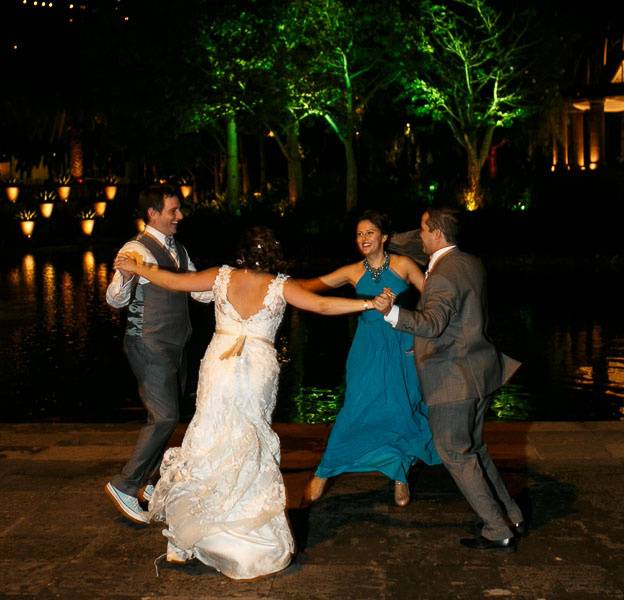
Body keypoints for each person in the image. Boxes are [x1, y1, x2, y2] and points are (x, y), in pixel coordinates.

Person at [114, 227, 379, 580]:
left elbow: (175, 282)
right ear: (274, 256)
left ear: (242, 254)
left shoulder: (221, 277)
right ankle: (243, 532)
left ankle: (182, 541)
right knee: (247, 439)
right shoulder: (280, 285)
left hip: (219, 365)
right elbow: (321, 304)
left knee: (207, 437)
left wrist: (139, 267)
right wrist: (368, 303)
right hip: (257, 369)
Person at [374, 207, 524, 551]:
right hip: (480, 371)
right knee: (475, 450)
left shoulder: (441, 275)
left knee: (455, 453)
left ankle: (496, 528)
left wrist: (392, 313)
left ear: (437, 235)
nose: (419, 235)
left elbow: (432, 323)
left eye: (424, 230)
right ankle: (511, 514)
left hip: (453, 381)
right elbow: (460, 320)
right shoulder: (470, 262)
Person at [299, 210, 439, 507]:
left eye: (369, 233)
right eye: (359, 234)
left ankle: (400, 476)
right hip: (366, 349)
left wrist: (422, 331)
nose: (363, 238)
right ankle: (324, 471)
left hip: (402, 344)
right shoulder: (352, 271)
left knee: (401, 408)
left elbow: (433, 298)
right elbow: (314, 286)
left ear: (384, 237)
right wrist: (276, 285)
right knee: (354, 408)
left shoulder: (403, 265)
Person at [104, 184, 213, 525]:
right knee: (164, 416)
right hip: (148, 342)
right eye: (173, 211)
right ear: (153, 213)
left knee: (170, 414)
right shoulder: (136, 248)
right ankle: (126, 484)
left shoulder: (176, 248)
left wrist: (231, 286)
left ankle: (149, 483)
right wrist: (123, 277)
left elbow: (197, 289)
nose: (179, 216)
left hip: (175, 343)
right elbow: (115, 300)